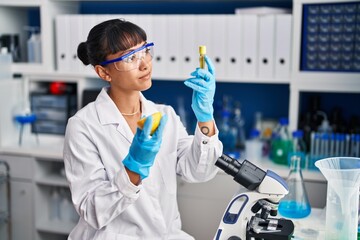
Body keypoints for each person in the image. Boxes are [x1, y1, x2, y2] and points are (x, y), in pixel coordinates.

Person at [63, 18, 223, 240]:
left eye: (146, 50)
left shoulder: (164, 115)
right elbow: (92, 211)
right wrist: (133, 170)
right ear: (104, 73)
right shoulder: (84, 126)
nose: (145, 64)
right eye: (130, 57)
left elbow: (199, 171)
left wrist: (205, 117)